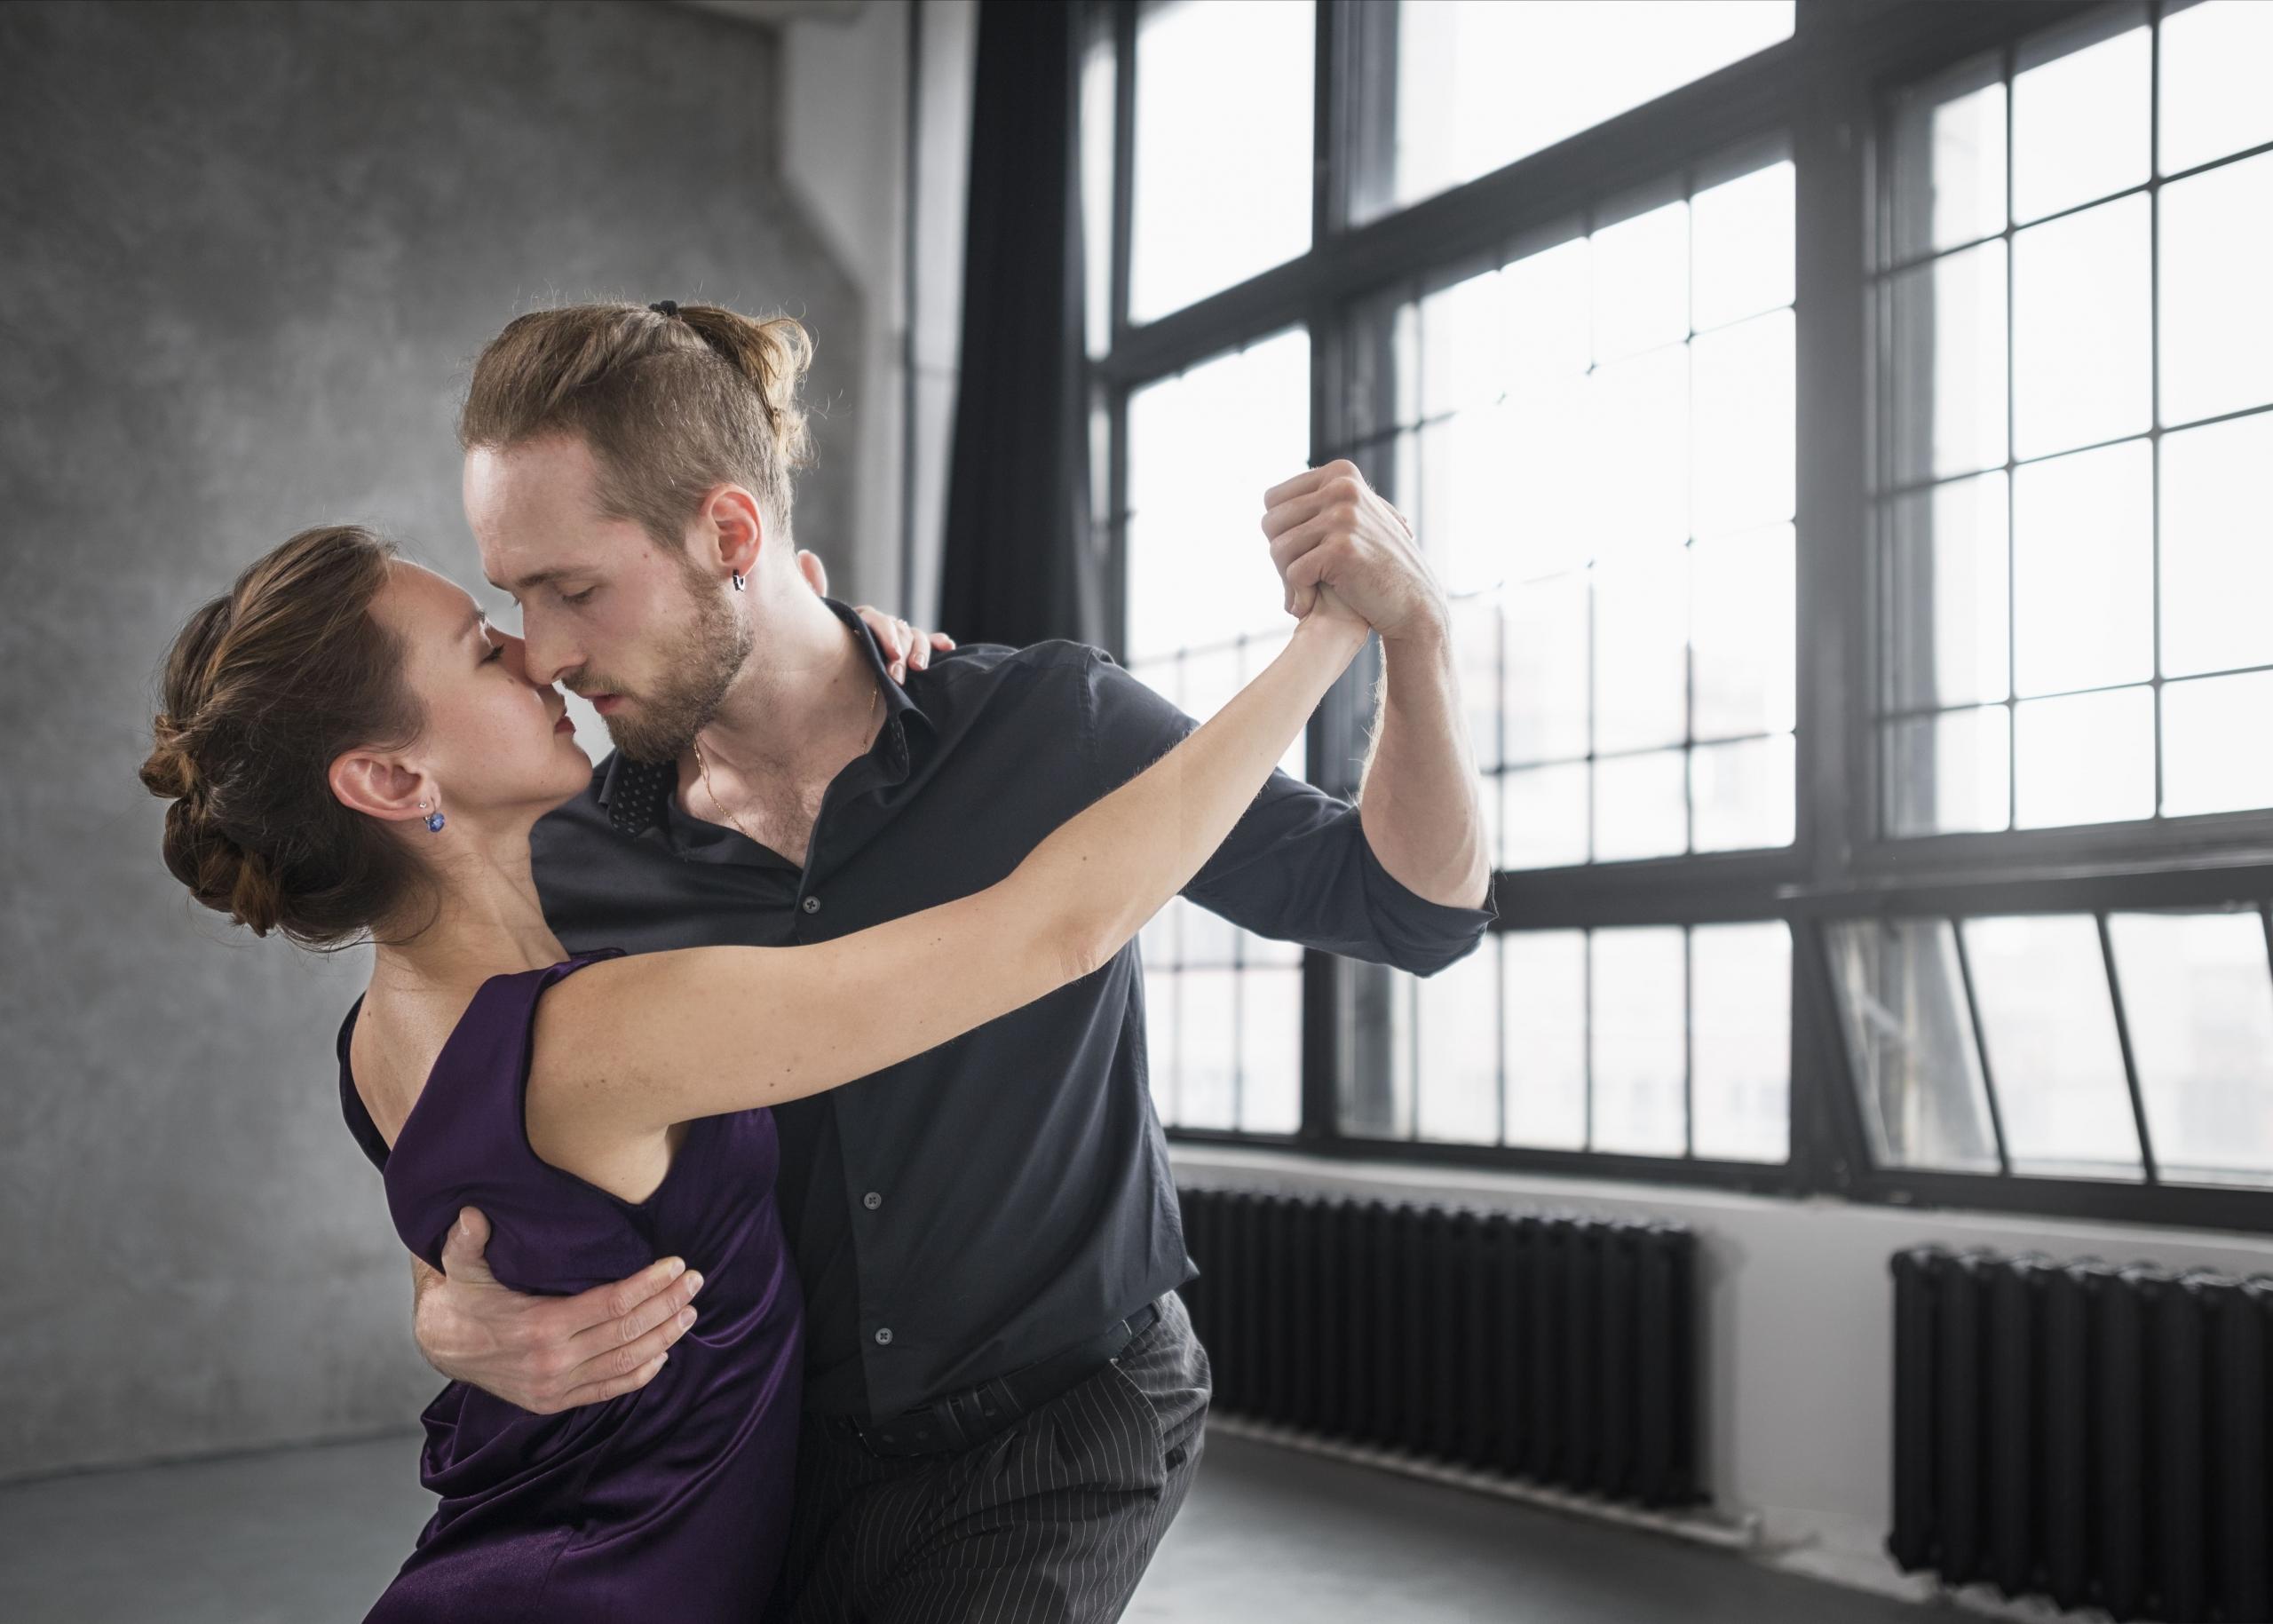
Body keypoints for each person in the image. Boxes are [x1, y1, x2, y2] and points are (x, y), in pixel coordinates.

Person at [405, 299, 1497, 1622]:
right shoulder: (573, 859)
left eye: (572, 589)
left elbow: (1410, 909)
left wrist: (1418, 641)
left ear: (732, 534)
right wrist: (443, 1309)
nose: (550, 652)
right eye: (516, 598)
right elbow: (485, 1125)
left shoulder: (1047, 724)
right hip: (764, 1456)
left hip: (1062, 1420)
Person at [142, 499, 1385, 1617]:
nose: (537, 652)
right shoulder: (604, 1032)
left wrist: (826, 665)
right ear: (390, 775)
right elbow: (1051, 928)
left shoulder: (380, 1033)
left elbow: (466, 1239)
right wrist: (1326, 642)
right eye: (482, 646)